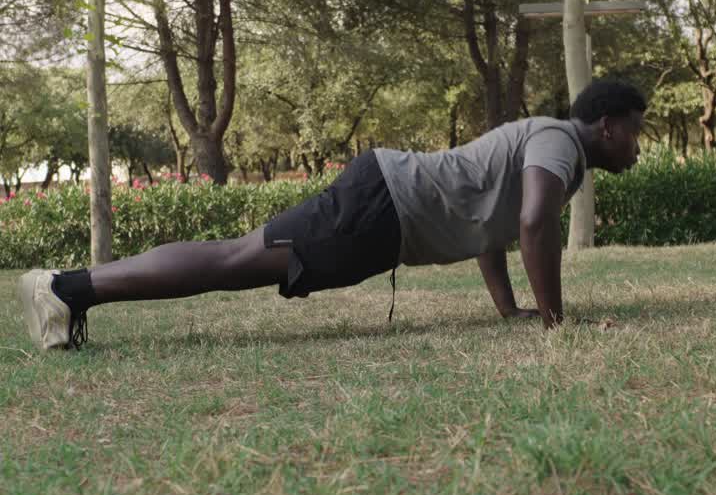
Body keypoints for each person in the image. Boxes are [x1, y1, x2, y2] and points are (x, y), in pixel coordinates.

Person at [18, 77, 645, 351]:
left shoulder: (545, 141)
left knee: (236, 258)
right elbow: (533, 224)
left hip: (385, 207)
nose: (638, 148)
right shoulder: (561, 144)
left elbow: (496, 229)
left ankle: (71, 293)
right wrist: (557, 324)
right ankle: (66, 289)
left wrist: (511, 309)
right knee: (235, 259)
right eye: (635, 134)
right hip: (382, 207)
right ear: (607, 126)